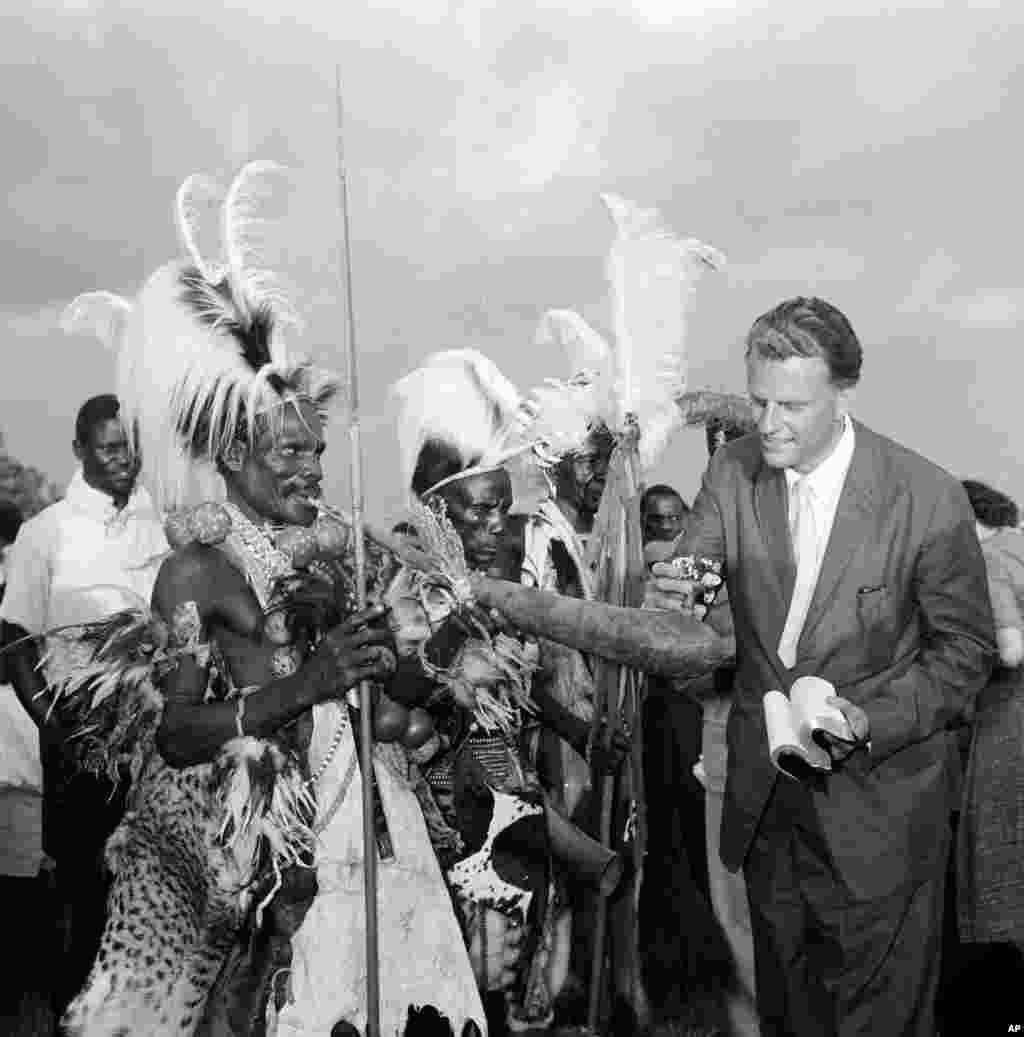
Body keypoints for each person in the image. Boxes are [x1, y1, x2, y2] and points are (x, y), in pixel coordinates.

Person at [55, 163, 486, 1037]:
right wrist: (308, 682)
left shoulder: (342, 549)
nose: (310, 470)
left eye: (316, 452)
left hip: (373, 810)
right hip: (274, 845)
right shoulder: (196, 571)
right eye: (288, 451)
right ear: (233, 452)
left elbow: (394, 680)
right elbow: (177, 733)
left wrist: (412, 675)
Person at [644, 298, 995, 1035]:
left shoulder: (925, 498)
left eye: (792, 405)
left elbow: (965, 653)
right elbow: (695, 584)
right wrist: (679, 590)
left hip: (884, 820)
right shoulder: (731, 474)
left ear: (845, 397)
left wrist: (873, 719)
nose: (768, 422)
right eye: (759, 399)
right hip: (769, 816)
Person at [0, 394, 169, 1012]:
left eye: (130, 446)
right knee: (84, 911)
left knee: (155, 904)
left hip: (160, 751)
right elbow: (17, 645)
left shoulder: (164, 524)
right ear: (80, 451)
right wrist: (60, 737)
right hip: (80, 754)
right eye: (109, 447)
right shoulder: (45, 533)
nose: (123, 459)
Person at [952, 479, 1024, 1002]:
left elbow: (1010, 650)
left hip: (1009, 717)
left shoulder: (988, 560)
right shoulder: (1017, 544)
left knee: (999, 848)